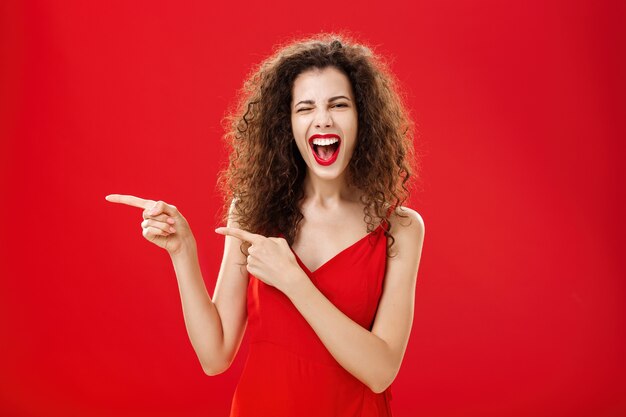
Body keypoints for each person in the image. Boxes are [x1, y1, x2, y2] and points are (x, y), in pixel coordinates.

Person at [106, 33, 425, 417]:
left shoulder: (401, 228)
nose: (322, 119)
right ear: (285, 124)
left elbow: (380, 371)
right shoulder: (253, 211)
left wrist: (293, 281)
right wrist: (182, 251)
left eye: (338, 105)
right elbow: (215, 355)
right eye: (304, 108)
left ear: (363, 117)